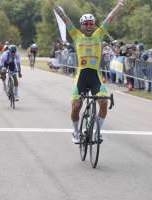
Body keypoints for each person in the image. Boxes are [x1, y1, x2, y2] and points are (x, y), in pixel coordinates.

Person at [51, 0, 126, 143]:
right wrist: (53, 5)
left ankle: (97, 131)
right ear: (81, 25)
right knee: (76, 106)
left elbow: (109, 18)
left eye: (91, 23)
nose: (89, 26)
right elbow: (64, 17)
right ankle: (76, 132)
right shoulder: (76, 34)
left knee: (104, 103)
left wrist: (119, 5)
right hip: (82, 76)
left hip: (95, 76)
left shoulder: (99, 34)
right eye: (86, 24)